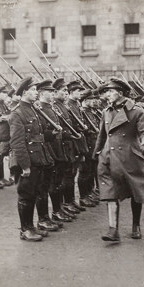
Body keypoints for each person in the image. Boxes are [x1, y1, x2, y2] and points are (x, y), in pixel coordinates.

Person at [93, 78, 144, 241]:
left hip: (130, 157)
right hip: (108, 157)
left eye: (110, 91)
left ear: (120, 93)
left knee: (136, 192)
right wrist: (97, 152)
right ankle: (113, 230)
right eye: (106, 91)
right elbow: (102, 134)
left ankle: (136, 226)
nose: (107, 95)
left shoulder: (136, 111)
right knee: (110, 193)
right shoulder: (106, 111)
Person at [8, 77, 54, 241]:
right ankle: (25, 229)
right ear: (24, 92)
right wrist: (25, 166)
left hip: (38, 158)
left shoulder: (32, 109)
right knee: (26, 195)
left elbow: (37, 135)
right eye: (33, 90)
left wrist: (51, 134)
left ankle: (32, 226)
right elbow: (17, 143)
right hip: (27, 161)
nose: (36, 93)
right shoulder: (17, 113)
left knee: (34, 193)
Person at [35, 80, 74, 224]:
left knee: (58, 182)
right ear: (41, 93)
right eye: (49, 92)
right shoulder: (40, 110)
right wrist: (54, 133)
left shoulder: (50, 108)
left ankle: (59, 209)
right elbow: (42, 133)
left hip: (58, 148)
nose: (52, 95)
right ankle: (55, 212)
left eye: (53, 92)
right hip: (50, 150)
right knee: (51, 183)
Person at [52, 78, 85, 217]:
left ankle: (69, 202)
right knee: (61, 178)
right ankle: (61, 206)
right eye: (64, 90)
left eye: (67, 91)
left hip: (69, 145)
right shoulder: (55, 106)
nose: (66, 93)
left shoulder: (63, 106)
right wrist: (70, 135)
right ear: (55, 92)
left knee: (70, 175)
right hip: (62, 146)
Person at [66, 81, 96, 208]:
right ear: (72, 92)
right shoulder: (69, 105)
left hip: (84, 142)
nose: (80, 93)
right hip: (76, 143)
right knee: (80, 172)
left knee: (88, 170)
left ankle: (87, 194)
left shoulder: (76, 105)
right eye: (78, 91)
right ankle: (82, 197)